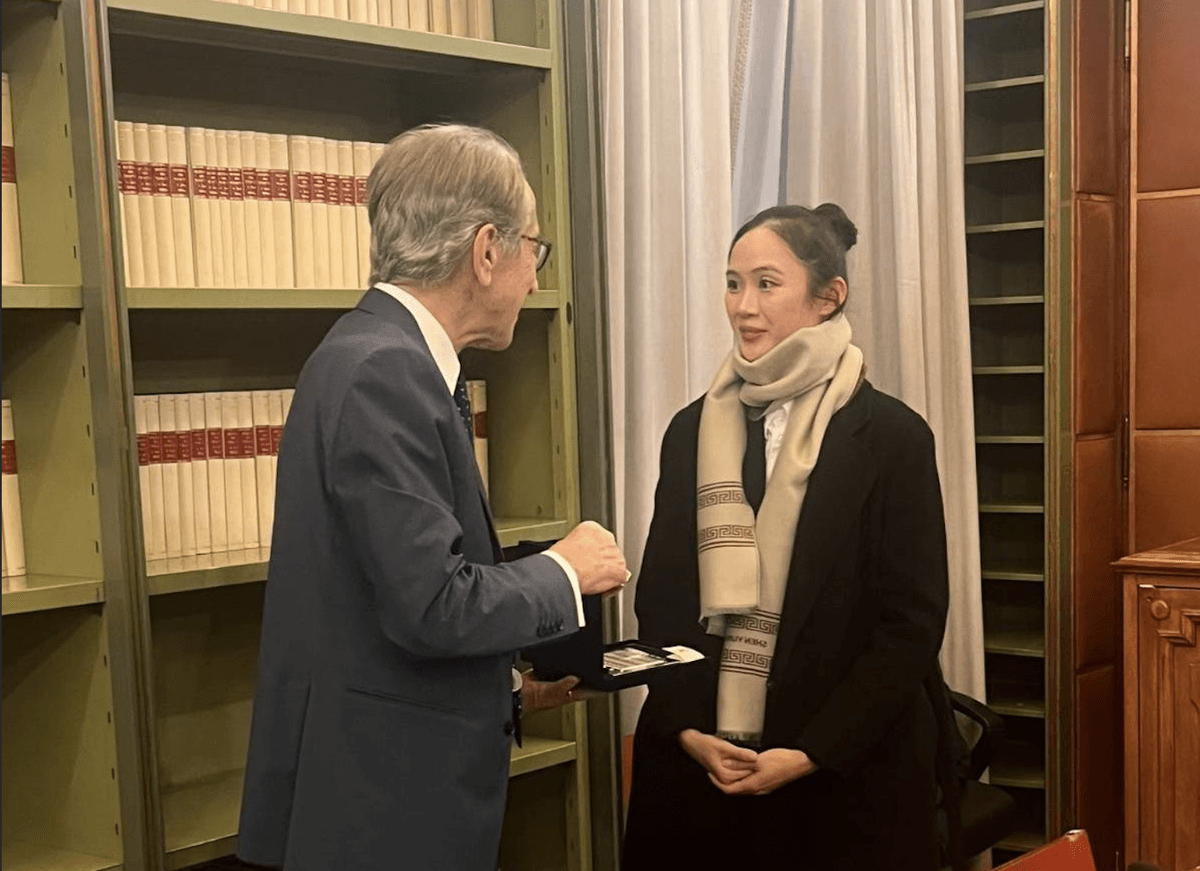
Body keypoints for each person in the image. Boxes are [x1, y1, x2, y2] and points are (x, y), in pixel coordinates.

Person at [237, 123, 628, 871]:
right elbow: (432, 605)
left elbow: (372, 604)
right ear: (486, 251)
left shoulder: (369, 354)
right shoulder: (388, 370)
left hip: (377, 792)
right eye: (532, 250)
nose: (534, 279)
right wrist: (566, 571)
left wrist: (507, 687)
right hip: (384, 815)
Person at [621, 204, 950, 870]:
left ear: (829, 297)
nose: (743, 305)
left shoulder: (892, 438)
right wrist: (690, 729)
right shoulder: (691, 429)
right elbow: (660, 599)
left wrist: (807, 753)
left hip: (841, 778)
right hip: (703, 772)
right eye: (733, 282)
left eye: (767, 283)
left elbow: (909, 626)